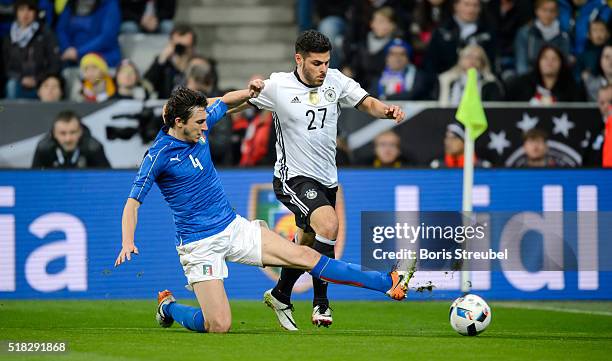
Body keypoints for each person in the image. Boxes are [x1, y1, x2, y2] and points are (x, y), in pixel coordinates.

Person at [113, 86, 414, 334]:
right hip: (198, 244)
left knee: (307, 256)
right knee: (218, 325)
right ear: (178, 122)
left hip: (233, 228)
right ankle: (168, 306)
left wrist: (250, 90)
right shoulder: (159, 155)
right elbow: (132, 203)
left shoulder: (199, 123)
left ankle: (386, 282)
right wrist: (128, 240)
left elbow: (225, 103)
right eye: (199, 123)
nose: (206, 127)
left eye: (205, 119)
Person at [246, 30, 406, 330]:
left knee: (310, 241)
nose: (323, 69)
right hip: (292, 177)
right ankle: (322, 301)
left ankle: (281, 293)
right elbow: (242, 101)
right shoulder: (278, 85)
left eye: (326, 62)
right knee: (329, 225)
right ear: (299, 59)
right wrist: (210, 108)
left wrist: (386, 111)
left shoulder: (335, 80)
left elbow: (366, 101)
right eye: (317, 63)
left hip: (327, 179)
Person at [2, 0, 60, 99]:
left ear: (35, 13)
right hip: (17, 83)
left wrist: (38, 79)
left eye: (30, 9)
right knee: (11, 85)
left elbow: (54, 63)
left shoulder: (46, 34)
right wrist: (21, 78)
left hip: (41, 83)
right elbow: (5, 66)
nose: (25, 13)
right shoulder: (9, 38)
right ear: (16, 12)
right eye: (22, 9)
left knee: (51, 86)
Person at [424, 0, 496, 77]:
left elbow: (492, 62)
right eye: (466, 4)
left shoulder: (488, 32)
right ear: (456, 6)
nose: (471, 9)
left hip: (479, 79)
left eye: (475, 5)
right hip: (444, 80)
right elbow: (431, 63)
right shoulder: (442, 30)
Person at [505, 45, 586, 104]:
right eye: (545, 58)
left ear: (561, 63)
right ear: (538, 62)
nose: (549, 62)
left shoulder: (572, 87)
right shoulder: (522, 83)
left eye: (554, 59)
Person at [32, 110, 110, 168]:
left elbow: (108, 180)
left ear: (81, 132)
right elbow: (32, 180)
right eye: (62, 133)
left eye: (73, 132)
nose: (68, 139)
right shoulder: (44, 148)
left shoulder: (93, 148)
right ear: (54, 134)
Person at [56, 0, 121, 67]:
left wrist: (78, 52)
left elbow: (107, 37)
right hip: (71, 59)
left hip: (102, 56)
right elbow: (61, 29)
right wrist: (67, 49)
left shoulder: (109, 3)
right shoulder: (71, 4)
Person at [513, 0, 571, 76]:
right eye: (544, 10)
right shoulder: (525, 33)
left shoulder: (564, 35)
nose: (548, 14)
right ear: (536, 11)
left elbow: (564, 64)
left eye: (552, 11)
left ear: (557, 13)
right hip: (530, 79)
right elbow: (521, 65)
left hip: (555, 80)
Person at [437, 43, 503, 106]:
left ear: (482, 63)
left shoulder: (489, 84)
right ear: (461, 59)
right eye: (469, 57)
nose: (472, 61)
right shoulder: (447, 80)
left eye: (477, 58)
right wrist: (445, 85)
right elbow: (437, 109)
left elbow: (494, 110)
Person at [144, 24, 196, 99]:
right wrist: (162, 59)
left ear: (193, 47)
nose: (181, 50)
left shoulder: (198, 64)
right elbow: (147, 84)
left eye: (185, 47)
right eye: (178, 46)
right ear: (170, 43)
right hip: (166, 105)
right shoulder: (163, 64)